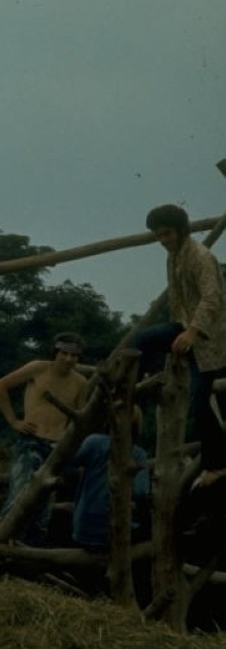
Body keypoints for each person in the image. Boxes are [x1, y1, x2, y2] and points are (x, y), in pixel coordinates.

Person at [135, 204, 226, 489]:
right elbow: (180, 301)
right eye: (158, 235)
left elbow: (212, 299)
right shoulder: (173, 256)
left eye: (167, 234)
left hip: (211, 338)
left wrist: (192, 333)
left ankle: (217, 465)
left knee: (201, 403)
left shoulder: (201, 257)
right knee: (143, 340)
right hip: (184, 325)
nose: (163, 240)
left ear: (181, 229)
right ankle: (140, 386)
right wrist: (180, 332)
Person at [0, 332, 88, 545]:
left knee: (43, 507)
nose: (69, 359)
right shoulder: (38, 368)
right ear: (56, 352)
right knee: (20, 496)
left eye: (74, 356)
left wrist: (69, 441)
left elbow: (79, 417)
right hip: (31, 440)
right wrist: (14, 421)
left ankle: (28, 559)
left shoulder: (80, 381)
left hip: (57, 447)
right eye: (64, 354)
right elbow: (0, 387)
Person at [71, 408, 150, 551]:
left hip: (83, 531)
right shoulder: (138, 454)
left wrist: (84, 474)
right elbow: (141, 492)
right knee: (148, 532)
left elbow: (66, 465)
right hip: (114, 534)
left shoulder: (93, 442)